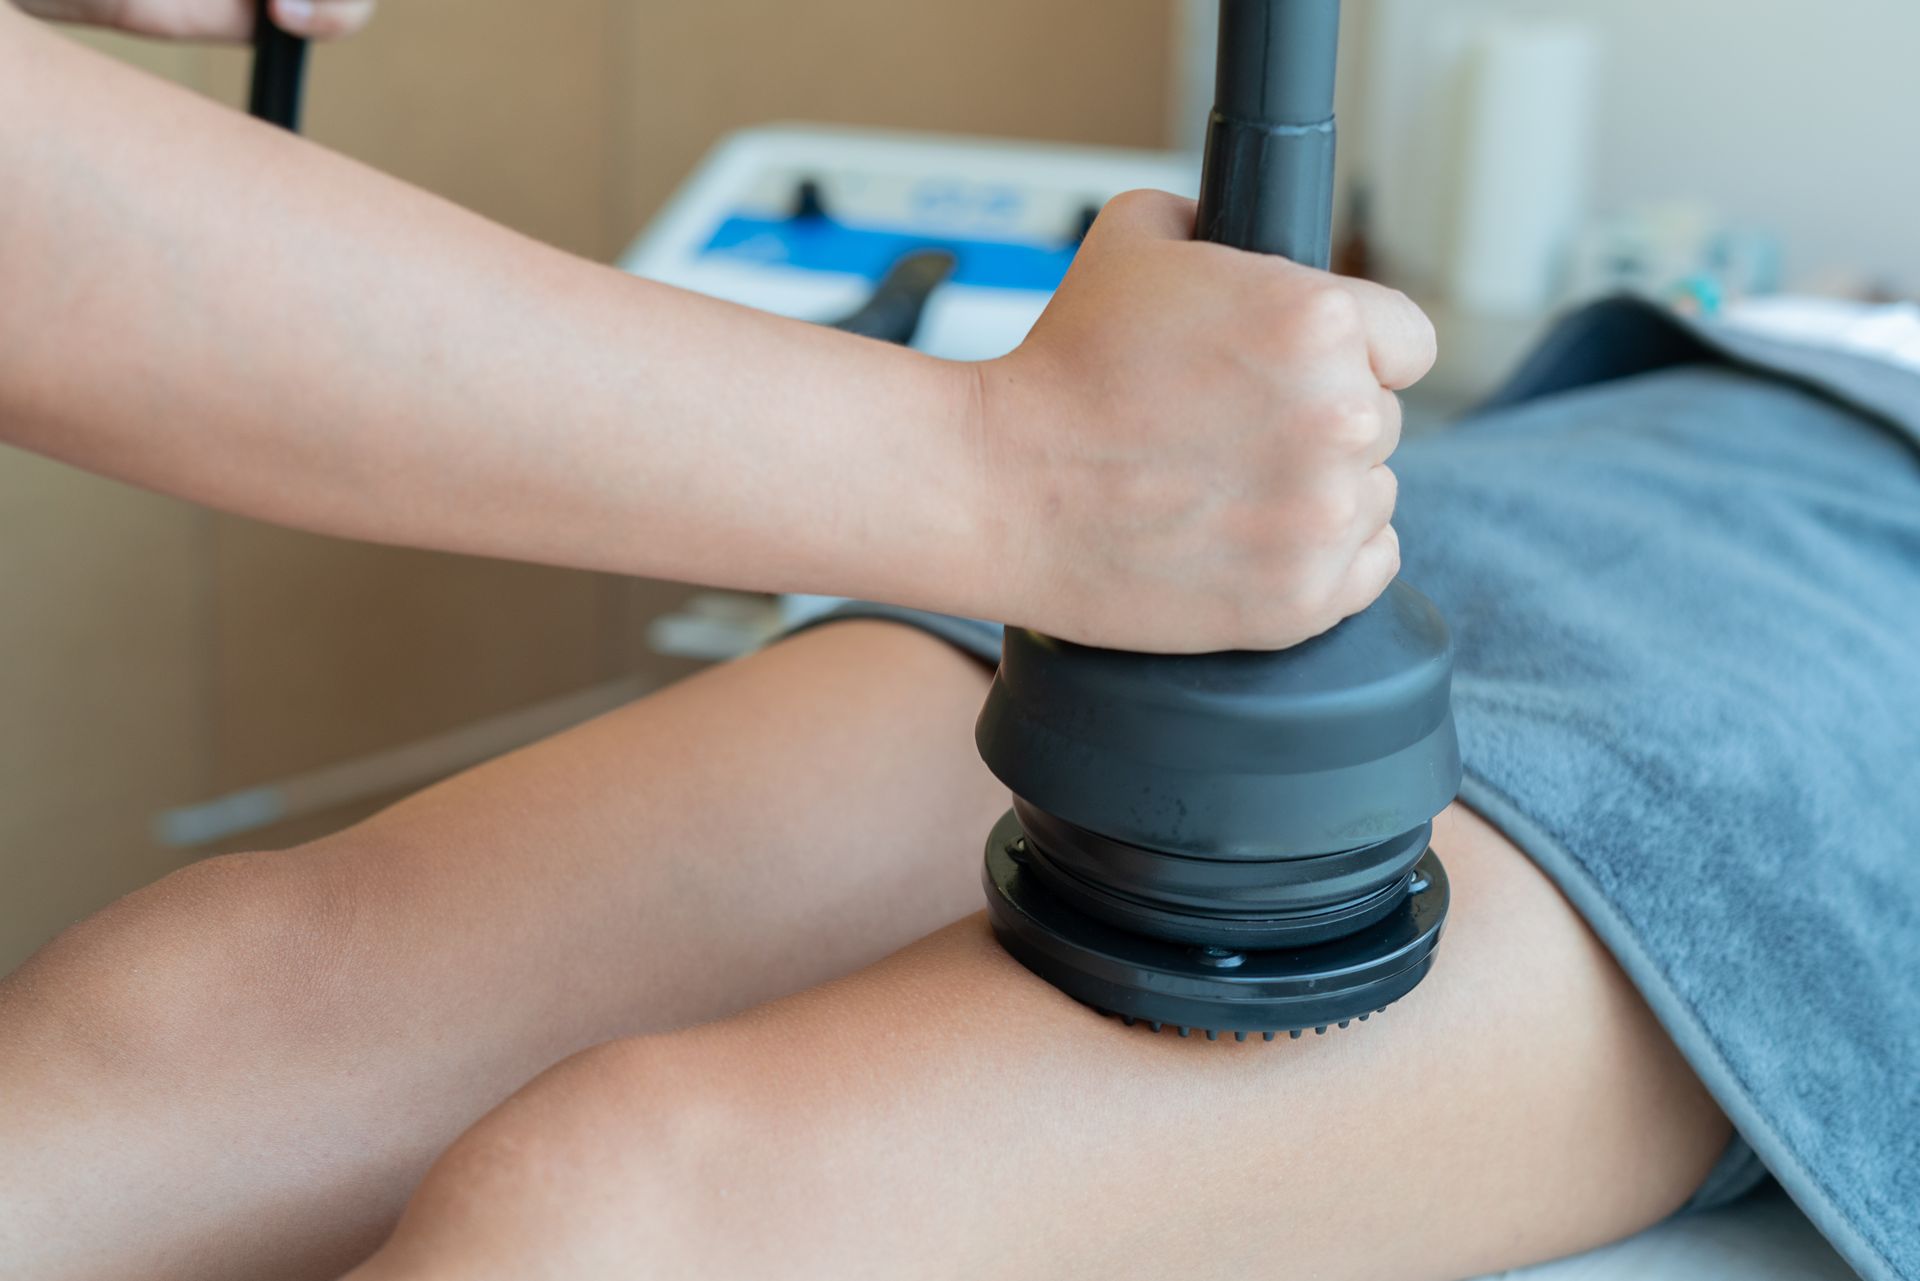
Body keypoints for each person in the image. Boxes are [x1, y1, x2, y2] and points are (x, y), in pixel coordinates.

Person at [4, 6, 1918, 1281]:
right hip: (1524, 487)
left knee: (629, 1203)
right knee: (215, 1006)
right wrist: (1019, 468)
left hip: (1793, 610)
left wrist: (1032, 470)